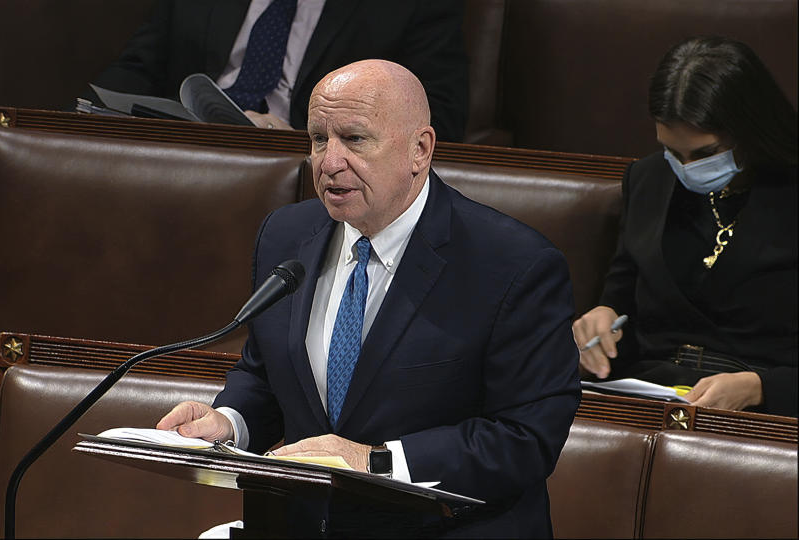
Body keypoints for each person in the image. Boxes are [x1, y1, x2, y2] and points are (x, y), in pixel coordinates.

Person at [158, 59, 581, 537]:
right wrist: (229, 423)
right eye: (319, 139)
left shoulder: (513, 264)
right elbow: (266, 375)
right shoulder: (285, 235)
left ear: (420, 149)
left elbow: (525, 439)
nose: (329, 162)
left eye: (354, 140)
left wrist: (373, 461)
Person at [574, 36, 798, 417]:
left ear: (751, 129)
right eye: (673, 152)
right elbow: (621, 294)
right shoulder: (649, 179)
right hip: (648, 393)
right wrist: (601, 321)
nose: (687, 168)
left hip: (763, 409)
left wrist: (762, 387)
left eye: (705, 154)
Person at [87, 0, 469, 142]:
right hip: (182, 142)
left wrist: (315, 137)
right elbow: (137, 67)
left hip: (300, 160)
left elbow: (437, 117)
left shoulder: (416, 6)